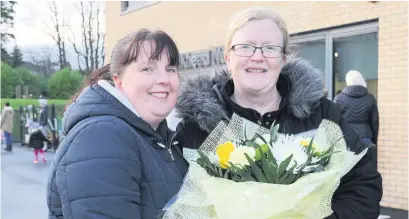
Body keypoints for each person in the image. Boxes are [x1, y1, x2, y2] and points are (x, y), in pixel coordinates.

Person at [172, 7, 382, 219]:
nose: (257, 57)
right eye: (245, 47)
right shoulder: (195, 127)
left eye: (270, 48)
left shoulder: (322, 115)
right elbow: (174, 200)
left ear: (282, 59)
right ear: (228, 58)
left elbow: (363, 184)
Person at [47, 29, 188, 219]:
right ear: (118, 81)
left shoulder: (161, 138)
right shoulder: (101, 137)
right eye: (148, 68)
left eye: (170, 69)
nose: (164, 79)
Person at [334, 70, 379, 165]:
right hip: (365, 138)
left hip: (345, 138)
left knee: (346, 171)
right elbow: (375, 122)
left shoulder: (339, 98)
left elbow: (333, 121)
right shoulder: (370, 98)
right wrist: (374, 140)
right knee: (366, 170)